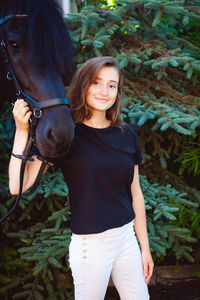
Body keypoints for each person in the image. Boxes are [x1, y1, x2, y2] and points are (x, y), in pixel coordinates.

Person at [9, 56, 154, 300]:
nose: (104, 91)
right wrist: (22, 132)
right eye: (97, 82)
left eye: (112, 85)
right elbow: (17, 185)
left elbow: (135, 193)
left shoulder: (126, 133)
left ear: (117, 92)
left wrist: (145, 249)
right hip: (91, 247)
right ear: (83, 85)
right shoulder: (68, 136)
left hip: (126, 239)